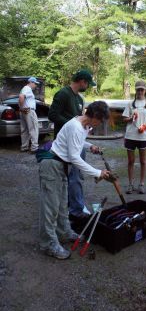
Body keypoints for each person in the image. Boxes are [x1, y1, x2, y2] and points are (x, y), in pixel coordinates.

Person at [39, 101, 110, 260]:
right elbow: (75, 158)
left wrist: (89, 145)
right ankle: (48, 244)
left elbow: (76, 142)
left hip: (61, 166)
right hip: (52, 166)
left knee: (62, 204)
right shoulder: (76, 127)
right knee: (50, 207)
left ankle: (64, 232)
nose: (99, 124)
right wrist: (97, 172)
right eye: (100, 120)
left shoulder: (83, 125)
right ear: (95, 117)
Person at [48, 69, 96, 220]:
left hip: (78, 142)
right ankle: (75, 209)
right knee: (72, 176)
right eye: (87, 83)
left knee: (75, 176)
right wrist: (72, 124)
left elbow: (81, 119)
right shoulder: (63, 94)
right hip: (64, 145)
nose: (87, 86)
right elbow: (52, 115)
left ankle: (73, 205)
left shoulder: (79, 99)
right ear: (82, 81)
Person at [122, 80, 146, 195]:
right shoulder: (130, 104)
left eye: (142, 89)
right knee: (131, 161)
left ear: (145, 90)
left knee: (143, 161)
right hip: (130, 135)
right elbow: (124, 119)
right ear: (135, 90)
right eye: (138, 89)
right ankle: (130, 184)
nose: (140, 91)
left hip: (143, 136)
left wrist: (145, 126)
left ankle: (141, 184)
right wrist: (131, 117)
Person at [19, 76, 40, 153]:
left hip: (24, 111)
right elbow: (21, 97)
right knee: (34, 129)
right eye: (35, 83)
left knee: (25, 130)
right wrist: (21, 107)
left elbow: (21, 97)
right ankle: (34, 148)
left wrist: (21, 108)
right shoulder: (27, 89)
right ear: (31, 82)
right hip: (29, 111)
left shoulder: (24, 89)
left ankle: (24, 147)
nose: (36, 85)